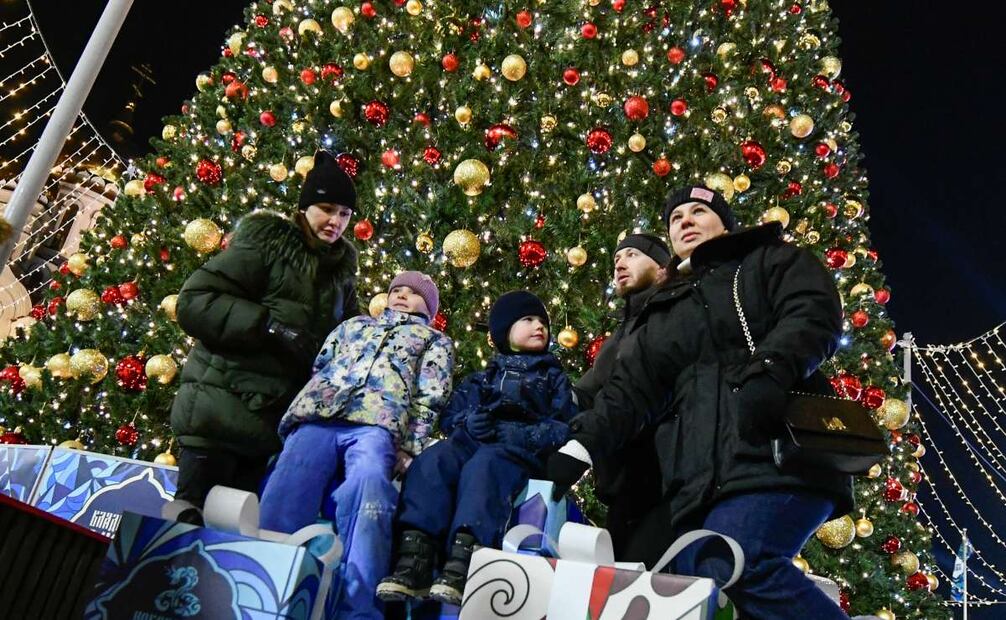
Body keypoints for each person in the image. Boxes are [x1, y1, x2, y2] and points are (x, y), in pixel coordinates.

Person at [546, 186, 853, 618]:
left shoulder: (769, 261)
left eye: (698, 211)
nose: (685, 221)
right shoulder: (663, 311)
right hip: (701, 480)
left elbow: (812, 311)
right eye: (676, 218)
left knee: (737, 558)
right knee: (693, 577)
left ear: (724, 223)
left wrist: (770, 369)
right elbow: (631, 392)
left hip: (778, 454)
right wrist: (582, 446)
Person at [169, 149, 359, 522]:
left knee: (230, 538)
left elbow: (348, 338)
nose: (335, 221)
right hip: (219, 414)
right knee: (185, 526)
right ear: (305, 207)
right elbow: (194, 301)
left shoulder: (340, 275)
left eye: (345, 214)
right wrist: (267, 327)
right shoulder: (267, 246)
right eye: (327, 208)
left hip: (269, 431)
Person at [259, 271, 455, 620]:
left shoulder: (433, 341)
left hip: (377, 424)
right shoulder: (355, 325)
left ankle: (359, 606)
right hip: (319, 415)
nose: (402, 296)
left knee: (370, 490)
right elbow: (322, 363)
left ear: (428, 307)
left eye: (413, 293)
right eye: (397, 290)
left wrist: (410, 445)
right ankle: (265, 579)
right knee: (289, 479)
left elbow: (431, 396)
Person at [377, 291, 577, 606]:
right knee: (435, 460)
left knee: (485, 466)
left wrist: (519, 435)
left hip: (514, 451)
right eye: (528, 320)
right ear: (504, 330)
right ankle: (415, 553)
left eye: (543, 322)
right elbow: (451, 415)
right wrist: (469, 422)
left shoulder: (553, 377)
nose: (539, 326)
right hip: (472, 441)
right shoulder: (484, 377)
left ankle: (464, 557)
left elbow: (563, 425)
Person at [572, 233, 670, 558]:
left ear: (662, 268)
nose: (620, 265)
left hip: (660, 483)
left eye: (632, 255)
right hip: (623, 484)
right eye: (616, 259)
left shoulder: (667, 319)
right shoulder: (620, 334)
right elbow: (587, 391)